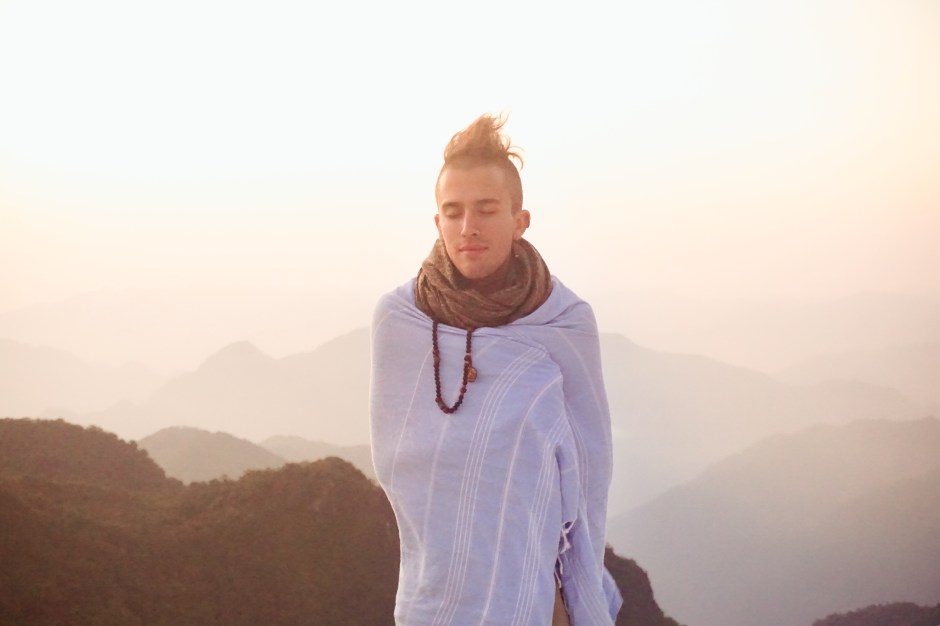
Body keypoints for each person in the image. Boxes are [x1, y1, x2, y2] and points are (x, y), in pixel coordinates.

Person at [370, 114, 622, 625]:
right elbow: (398, 464)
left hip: (530, 588)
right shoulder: (400, 321)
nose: (469, 228)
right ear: (436, 222)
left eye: (487, 210)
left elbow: (590, 471)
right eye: (453, 211)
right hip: (431, 590)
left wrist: (576, 595)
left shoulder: (564, 323)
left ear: (520, 219)